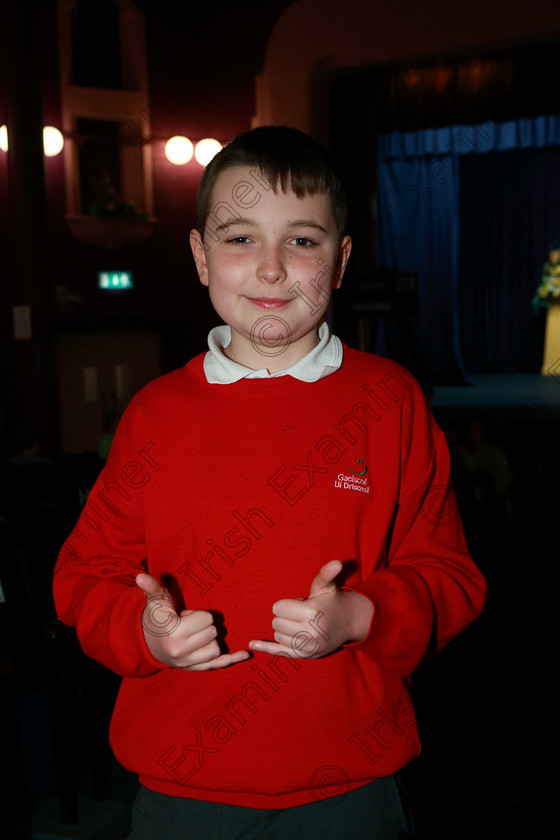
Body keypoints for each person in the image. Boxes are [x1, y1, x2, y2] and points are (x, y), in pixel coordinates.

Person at [53, 126, 486, 839]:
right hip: (180, 788)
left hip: (350, 788)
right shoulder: (154, 414)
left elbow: (452, 576)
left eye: (304, 241)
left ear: (341, 261)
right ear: (199, 256)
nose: (274, 271)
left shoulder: (390, 401)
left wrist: (362, 616)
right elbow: (83, 573)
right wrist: (144, 633)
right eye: (240, 238)